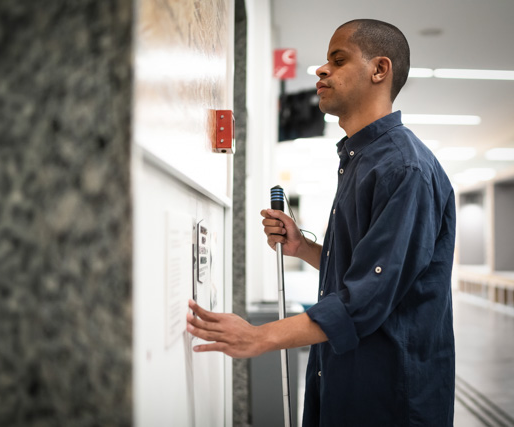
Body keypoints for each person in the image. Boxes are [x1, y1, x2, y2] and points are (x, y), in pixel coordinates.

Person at [186, 19, 456, 426]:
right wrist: (303, 248)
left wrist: (260, 337)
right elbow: (362, 271)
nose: (320, 69)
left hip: (389, 397)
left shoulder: (404, 169)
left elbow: (366, 299)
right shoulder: (360, 160)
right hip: (343, 380)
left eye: (338, 59)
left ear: (379, 69)